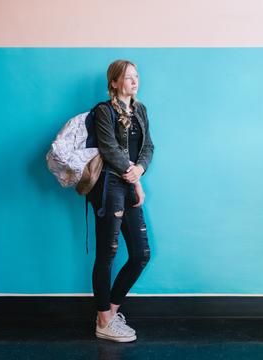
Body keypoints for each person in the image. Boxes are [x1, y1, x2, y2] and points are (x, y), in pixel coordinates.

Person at [88, 60, 154, 342]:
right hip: (108, 186)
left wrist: (140, 169)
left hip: (128, 183)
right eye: (127, 77)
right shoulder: (104, 111)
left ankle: (110, 314)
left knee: (141, 254)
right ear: (114, 83)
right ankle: (103, 319)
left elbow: (148, 146)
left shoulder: (140, 110)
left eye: (136, 76)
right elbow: (109, 148)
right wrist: (136, 180)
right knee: (108, 253)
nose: (134, 81)